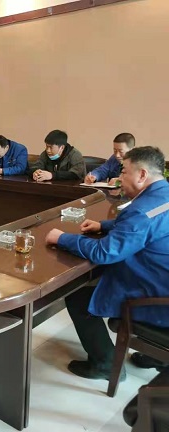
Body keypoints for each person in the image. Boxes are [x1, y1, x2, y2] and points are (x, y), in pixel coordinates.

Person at [45, 146, 169, 380]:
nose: (120, 178)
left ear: (142, 174)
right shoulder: (163, 195)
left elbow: (105, 252)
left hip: (157, 297)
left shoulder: (142, 211)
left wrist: (62, 238)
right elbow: (146, 225)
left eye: (124, 172)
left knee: (78, 296)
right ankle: (157, 357)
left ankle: (105, 365)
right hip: (164, 282)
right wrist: (103, 225)